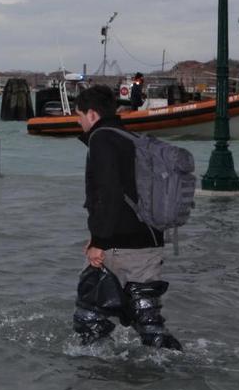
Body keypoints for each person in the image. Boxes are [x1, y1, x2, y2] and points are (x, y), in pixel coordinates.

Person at [72, 84, 182, 350]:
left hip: (121, 244)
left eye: (78, 115)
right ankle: (167, 374)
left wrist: (99, 240)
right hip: (148, 239)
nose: (77, 121)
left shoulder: (101, 139)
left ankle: (92, 380)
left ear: (92, 115)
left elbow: (107, 193)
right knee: (147, 321)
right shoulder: (129, 138)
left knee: (91, 318)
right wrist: (95, 237)